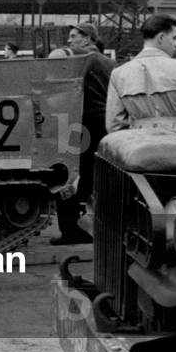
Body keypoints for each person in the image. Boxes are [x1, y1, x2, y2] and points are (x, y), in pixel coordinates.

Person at [50, 23, 115, 245]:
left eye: (74, 36)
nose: (70, 41)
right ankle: (95, 227)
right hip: (106, 126)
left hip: (80, 124)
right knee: (94, 178)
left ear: (88, 40)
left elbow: (58, 54)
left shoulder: (83, 58)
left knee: (65, 175)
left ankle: (70, 230)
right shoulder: (111, 64)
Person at [105, 14, 176, 132]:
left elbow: (114, 125)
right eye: (174, 38)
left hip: (137, 145)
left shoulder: (118, 73)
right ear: (161, 37)